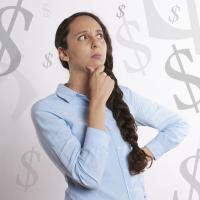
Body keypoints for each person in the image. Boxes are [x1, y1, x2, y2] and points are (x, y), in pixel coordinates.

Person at [31, 11, 189, 200]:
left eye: (100, 36)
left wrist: (145, 155)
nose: (96, 42)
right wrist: (97, 103)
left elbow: (178, 125)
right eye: (83, 37)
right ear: (64, 53)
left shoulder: (124, 96)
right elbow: (87, 176)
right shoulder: (47, 110)